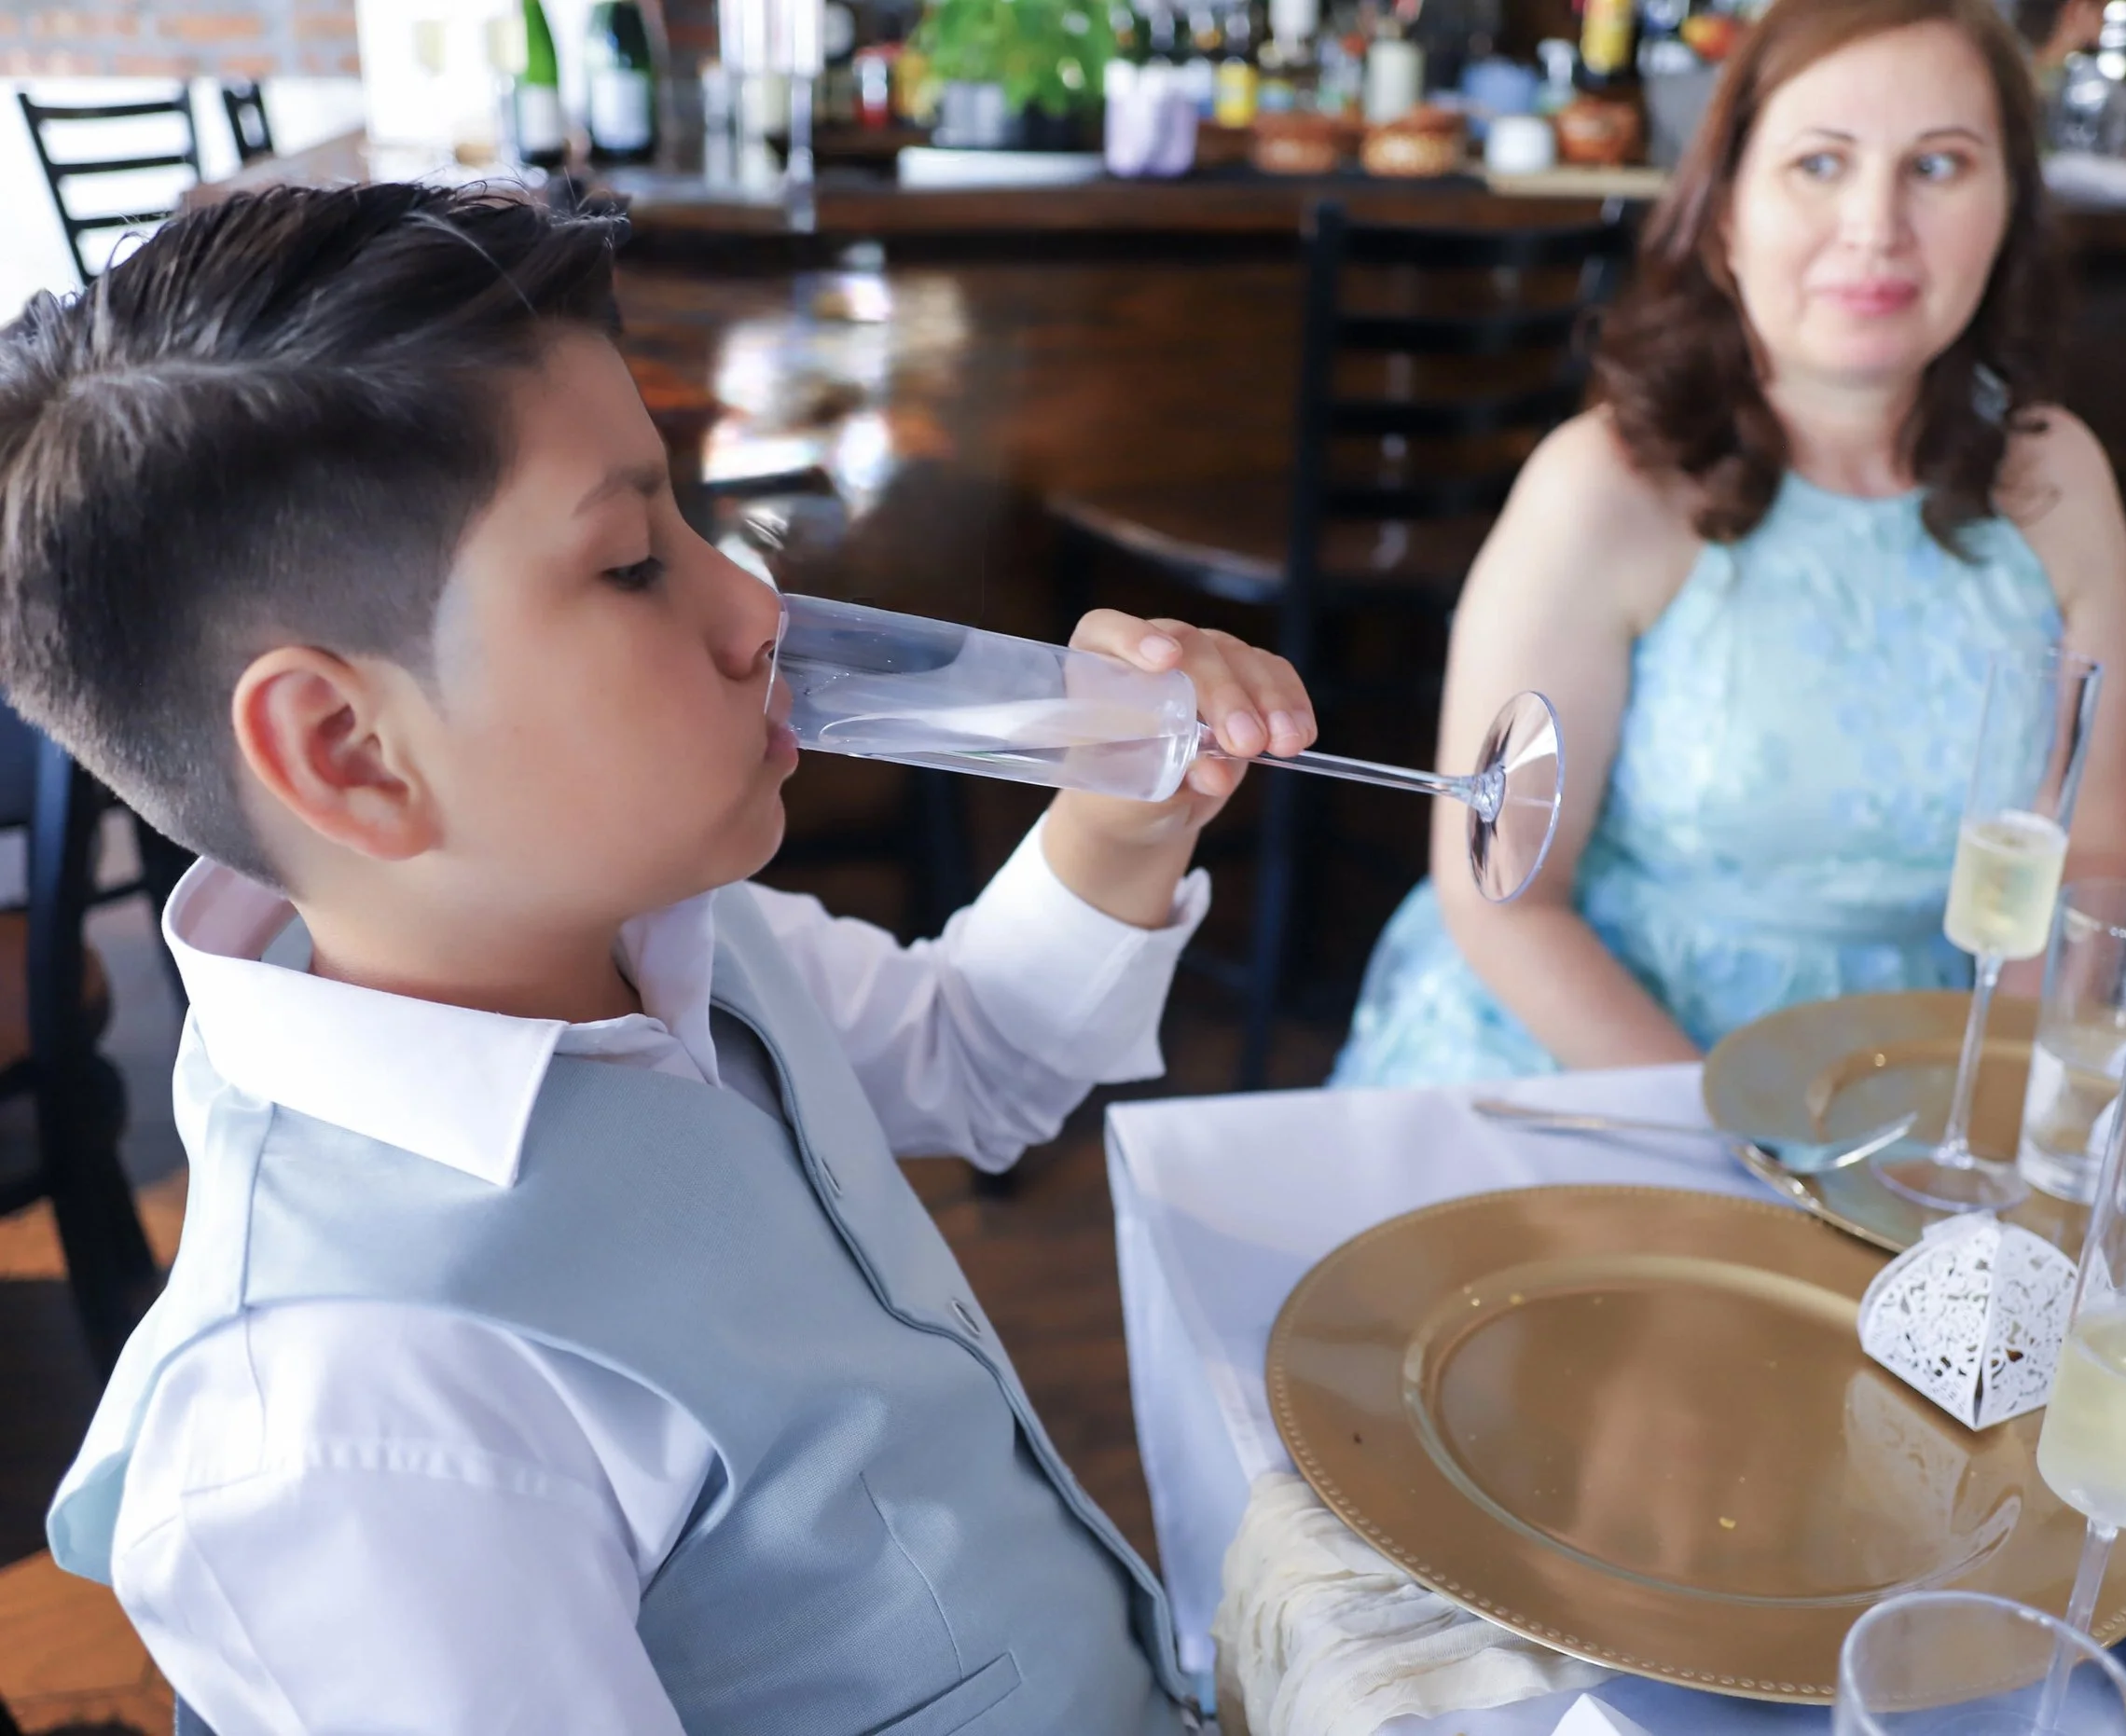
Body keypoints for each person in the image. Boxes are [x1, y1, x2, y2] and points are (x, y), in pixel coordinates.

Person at [6, 184, 1318, 1734]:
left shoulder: (643, 924)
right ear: (347, 749)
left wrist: (1118, 821)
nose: (756, 604)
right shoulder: (345, 1421)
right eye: (633, 562)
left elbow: (971, 1057)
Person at [1334, 0, 2126, 1087]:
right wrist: (1730, 1140)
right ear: (1724, 212)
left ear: (2010, 206)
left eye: (1939, 167)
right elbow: (1505, 896)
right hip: (1599, 1061)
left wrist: (2001, 1107)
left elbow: (2088, 859)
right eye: (1819, 163)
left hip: (1913, 1083)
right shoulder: (1600, 489)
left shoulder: (2059, 480)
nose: (1875, 224)